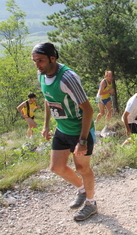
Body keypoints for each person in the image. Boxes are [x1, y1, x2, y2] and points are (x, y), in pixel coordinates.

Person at [31, 42, 97, 221]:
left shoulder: (68, 78)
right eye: (35, 61)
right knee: (56, 167)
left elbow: (88, 109)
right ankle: (82, 190)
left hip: (79, 131)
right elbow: (48, 99)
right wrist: (46, 125)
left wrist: (82, 141)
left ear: (53, 58)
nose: (37, 65)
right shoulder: (42, 75)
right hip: (61, 129)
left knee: (83, 168)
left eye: (41, 60)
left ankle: (91, 204)